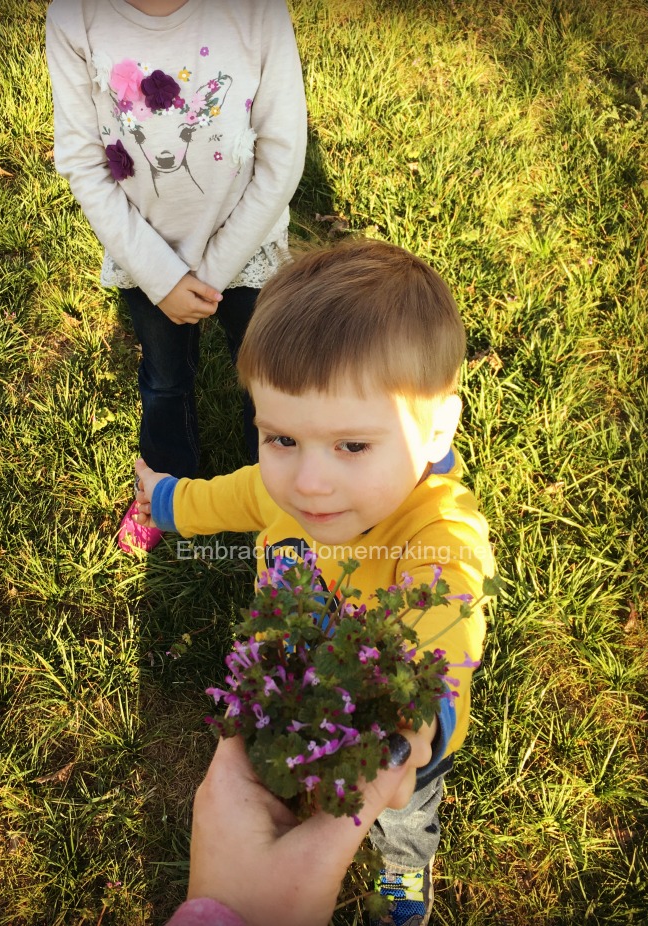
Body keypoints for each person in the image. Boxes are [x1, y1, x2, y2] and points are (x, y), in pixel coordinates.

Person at [134, 238, 496, 925]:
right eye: (281, 438)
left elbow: (448, 615)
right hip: (295, 695)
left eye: (352, 445)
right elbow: (232, 497)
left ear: (437, 426)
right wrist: (167, 502)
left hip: (383, 744)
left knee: (404, 810)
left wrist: (416, 719)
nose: (308, 481)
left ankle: (404, 868)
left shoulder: (437, 531)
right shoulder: (286, 491)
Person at [45, 0, 307, 553]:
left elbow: (283, 154)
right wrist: (160, 277)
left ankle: (279, 497)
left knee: (270, 383)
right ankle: (165, 489)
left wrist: (212, 272)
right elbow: (82, 159)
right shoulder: (75, 16)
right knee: (165, 380)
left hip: (247, 243)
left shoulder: (257, 11)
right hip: (146, 253)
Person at [166, 731, 417, 926]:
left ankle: (403, 859)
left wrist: (439, 723)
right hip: (322, 751)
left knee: (411, 807)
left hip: (404, 747)